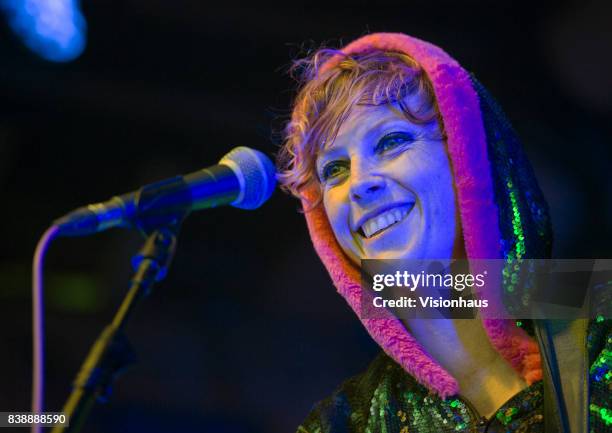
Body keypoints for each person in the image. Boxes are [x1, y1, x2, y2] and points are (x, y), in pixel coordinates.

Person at [277, 33, 610, 432]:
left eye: (391, 141)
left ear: (468, 157)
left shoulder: (599, 310)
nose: (359, 184)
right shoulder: (344, 423)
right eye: (334, 170)